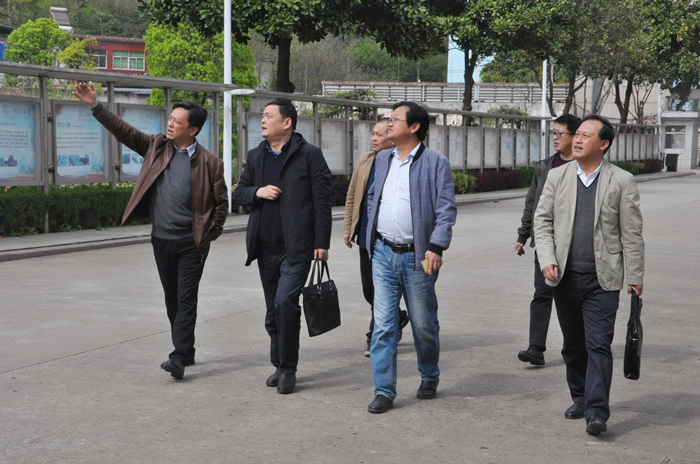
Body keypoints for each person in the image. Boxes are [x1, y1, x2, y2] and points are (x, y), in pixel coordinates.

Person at [73, 82, 228, 380]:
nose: (170, 124)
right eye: (170, 119)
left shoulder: (210, 163)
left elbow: (221, 205)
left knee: (186, 299)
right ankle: (187, 349)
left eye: (177, 121)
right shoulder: (156, 146)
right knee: (172, 298)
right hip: (162, 240)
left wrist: (208, 235)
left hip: (191, 243)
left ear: (193, 130)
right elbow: (123, 130)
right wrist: (95, 105)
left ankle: (178, 357)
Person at [533, 114, 644, 436]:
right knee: (573, 345)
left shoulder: (621, 180)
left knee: (599, 345)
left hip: (602, 280)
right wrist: (547, 259)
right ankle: (580, 398)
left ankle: (597, 411)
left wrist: (635, 276)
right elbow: (542, 221)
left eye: (586, 135)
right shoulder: (558, 176)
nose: (578, 139)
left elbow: (632, 233)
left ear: (603, 144)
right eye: (577, 134)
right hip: (564, 277)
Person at [234, 99, 332, 395]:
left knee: (285, 303)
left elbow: (322, 201)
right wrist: (258, 192)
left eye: (268, 115)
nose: (262, 120)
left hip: (297, 248)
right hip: (265, 247)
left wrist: (321, 242)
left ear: (286, 122)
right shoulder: (256, 156)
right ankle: (278, 364)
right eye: (262, 116)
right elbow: (239, 193)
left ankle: (288, 369)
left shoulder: (309, 155)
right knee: (272, 310)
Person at [364, 101, 457, 413]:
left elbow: (446, 210)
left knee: (423, 325)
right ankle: (384, 390)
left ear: (414, 126)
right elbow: (373, 198)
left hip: (419, 257)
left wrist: (436, 246)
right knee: (384, 326)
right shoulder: (382, 159)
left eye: (395, 119)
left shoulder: (435, 162)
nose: (389, 124)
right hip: (382, 253)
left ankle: (429, 374)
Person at [515, 114, 582, 366]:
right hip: (545, 242)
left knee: (572, 299)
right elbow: (532, 202)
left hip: (574, 244)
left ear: (574, 136)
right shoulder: (546, 166)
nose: (555, 138)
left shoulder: (584, 166)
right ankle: (536, 348)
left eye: (559, 133)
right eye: (553, 133)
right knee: (542, 294)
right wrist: (523, 234)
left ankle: (576, 345)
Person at [343, 118, 408, 357]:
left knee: (382, 291)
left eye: (379, 134)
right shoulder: (365, 160)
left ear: (392, 138)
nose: (373, 138)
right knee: (369, 290)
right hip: (365, 235)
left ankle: (375, 335)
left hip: (387, 238)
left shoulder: (399, 163)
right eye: (373, 134)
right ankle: (397, 316)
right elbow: (352, 194)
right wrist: (348, 227)